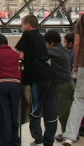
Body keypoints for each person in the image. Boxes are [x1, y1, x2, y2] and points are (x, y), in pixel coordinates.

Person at [15, 14, 57, 146]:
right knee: (50, 109)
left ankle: (38, 138)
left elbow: (20, 54)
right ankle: (49, 140)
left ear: (28, 25)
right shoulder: (40, 36)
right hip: (50, 75)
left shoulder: (27, 35)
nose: (22, 28)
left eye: (22, 25)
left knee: (35, 108)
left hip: (37, 76)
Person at [0, 34, 22, 146]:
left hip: (2, 83)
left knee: (3, 115)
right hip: (16, 84)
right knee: (14, 113)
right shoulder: (14, 50)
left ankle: (5, 142)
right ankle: (15, 140)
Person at [43, 30, 75, 142]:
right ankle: (70, 133)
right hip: (68, 83)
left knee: (63, 111)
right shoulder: (62, 49)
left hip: (63, 85)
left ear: (51, 42)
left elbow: (42, 54)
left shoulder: (55, 50)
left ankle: (68, 135)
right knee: (68, 109)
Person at [62, 15, 84, 146]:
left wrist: (75, 65)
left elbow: (76, 44)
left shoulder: (82, 19)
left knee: (79, 100)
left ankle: (69, 135)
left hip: (83, 64)